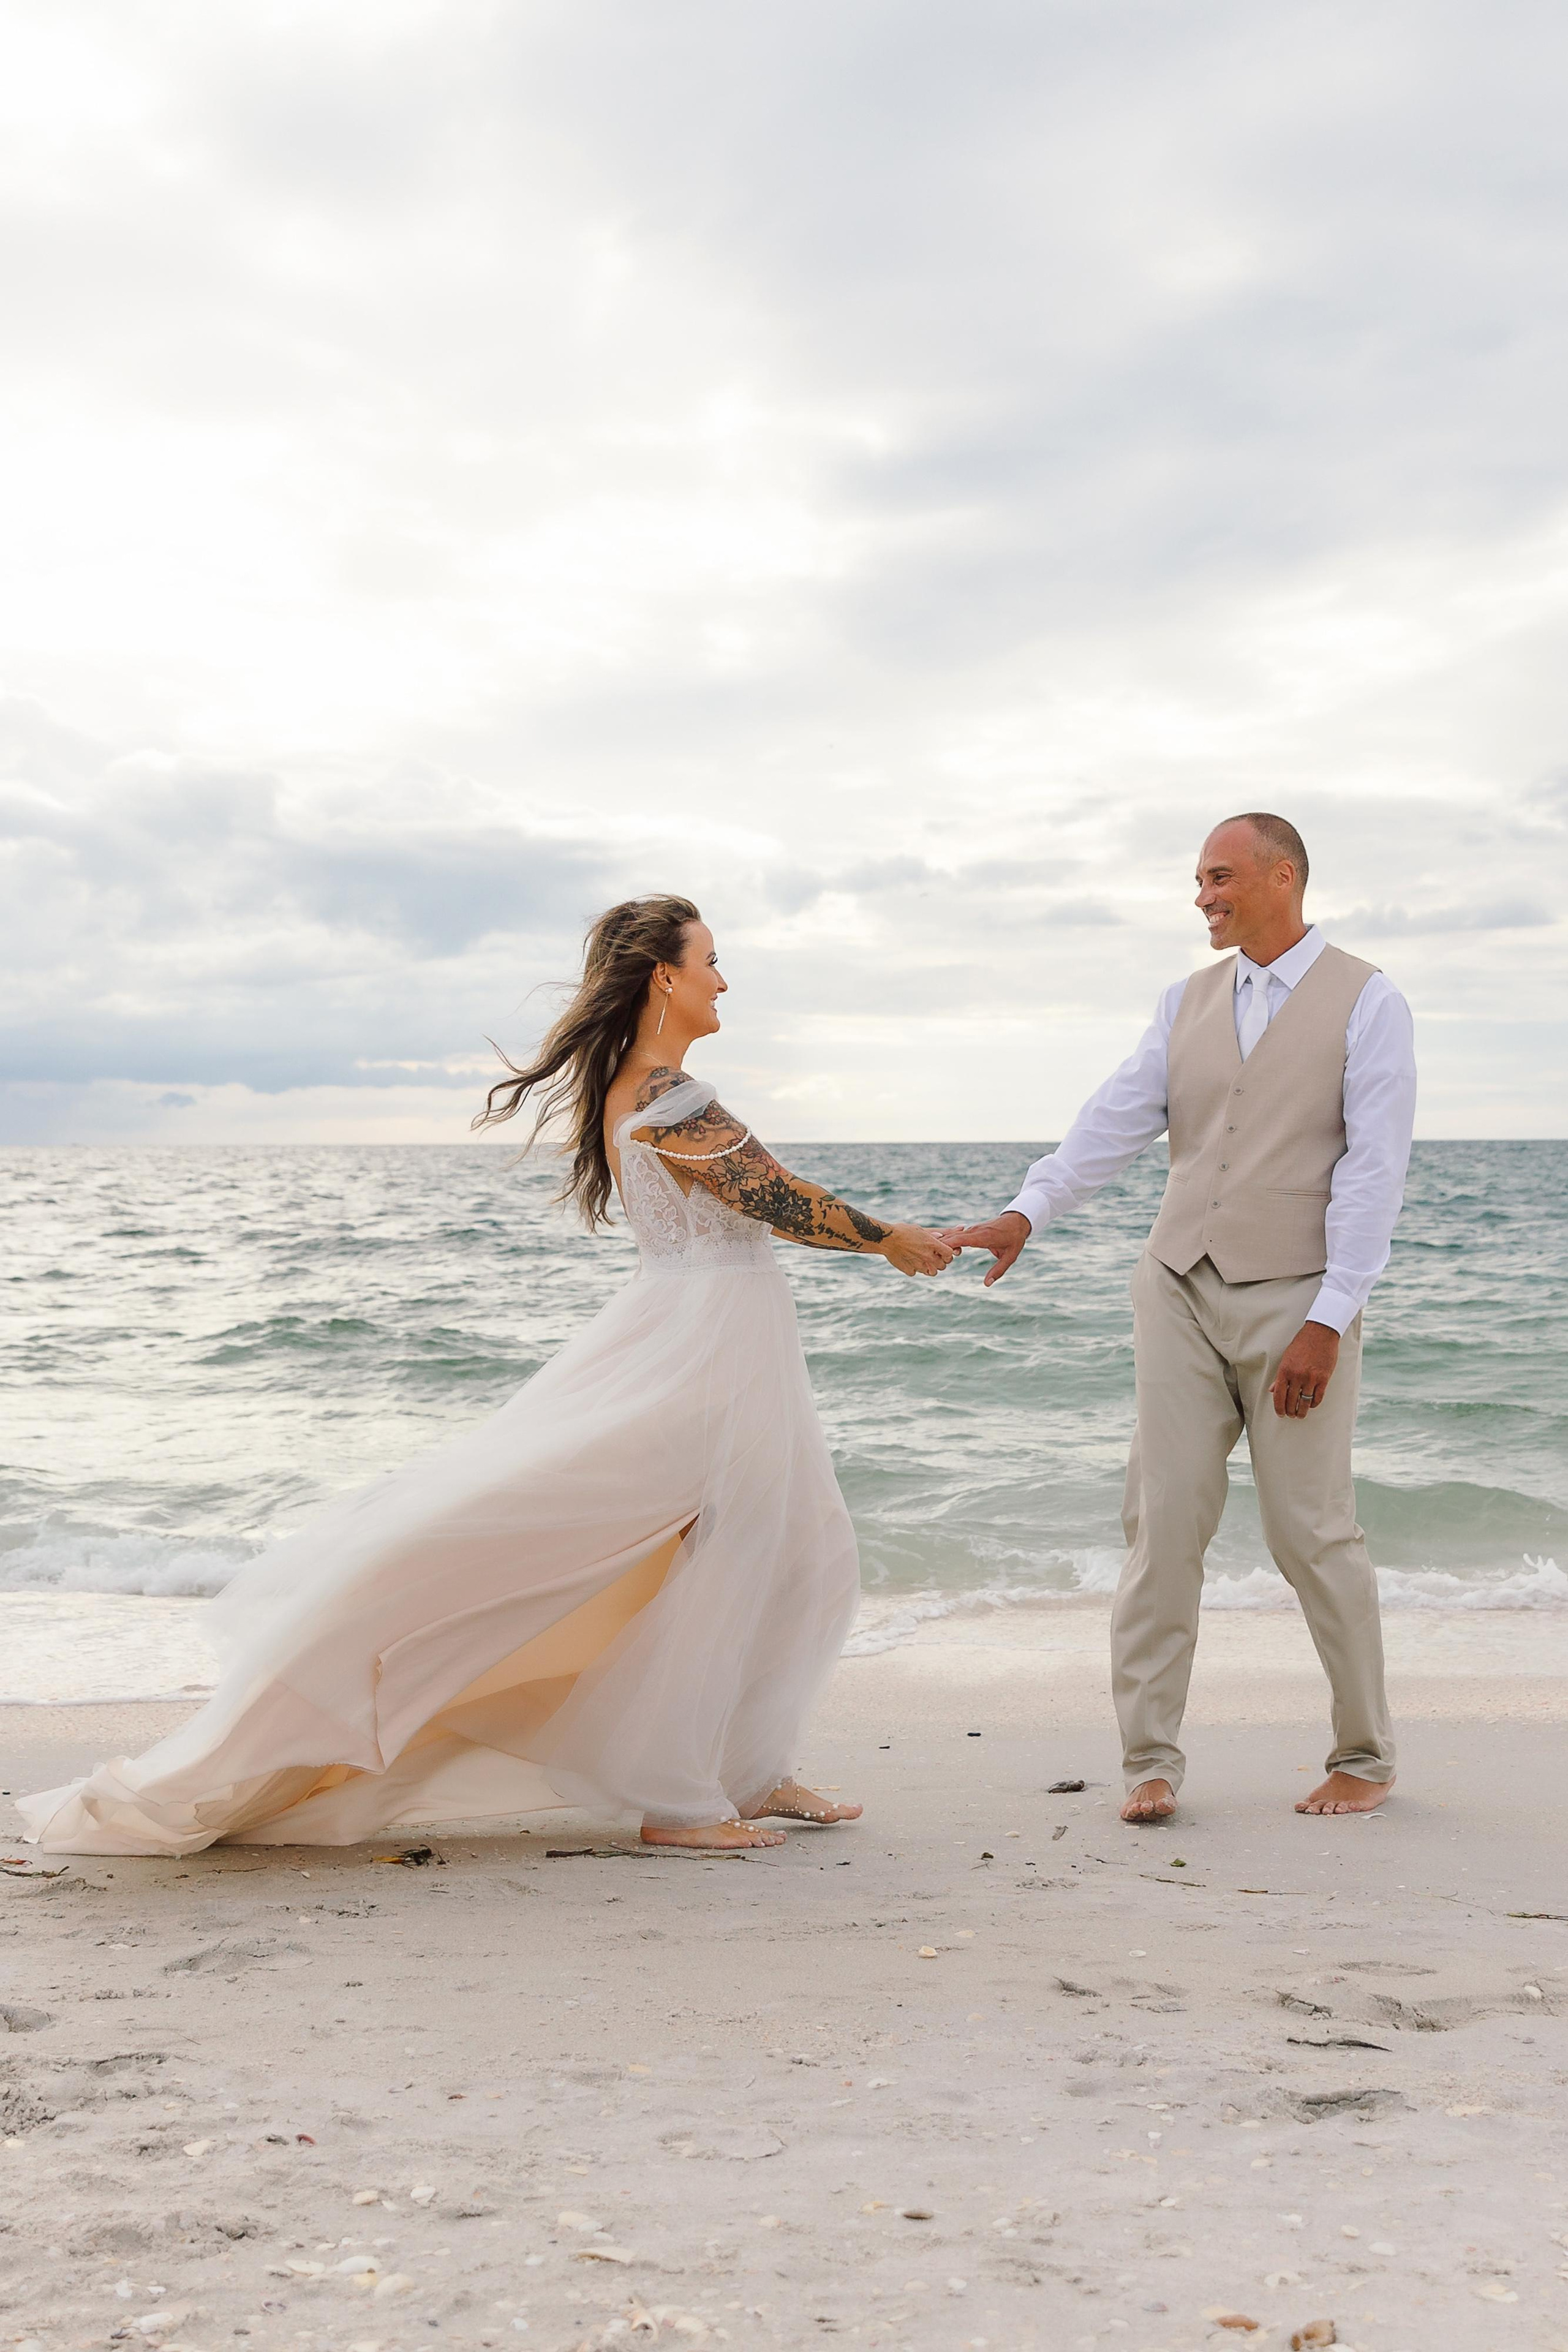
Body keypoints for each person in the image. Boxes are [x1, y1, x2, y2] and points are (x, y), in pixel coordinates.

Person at [18, 895, 953, 1857]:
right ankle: (679, 1799)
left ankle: (751, 1769)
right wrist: (892, 1241)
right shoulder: (673, 1099)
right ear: (664, 978)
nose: (725, 980)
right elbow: (777, 1199)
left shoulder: (634, 1090)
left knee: (796, 1544)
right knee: (753, 1548)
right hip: (705, 1341)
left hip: (704, 1332)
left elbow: (761, 1201)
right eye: (713, 960)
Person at [942, 816, 1416, 1825]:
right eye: (1198, 881)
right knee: (1161, 1525)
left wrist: (1331, 1318)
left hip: (1299, 1298)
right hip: (1176, 1285)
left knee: (1312, 1533)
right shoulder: (1186, 1000)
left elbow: (1375, 1172)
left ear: (1282, 876)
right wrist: (1028, 1210)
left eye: (1219, 877)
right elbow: (1116, 1116)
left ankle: (1365, 1759)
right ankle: (1149, 1761)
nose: (1202, 896)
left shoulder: (1369, 1001)